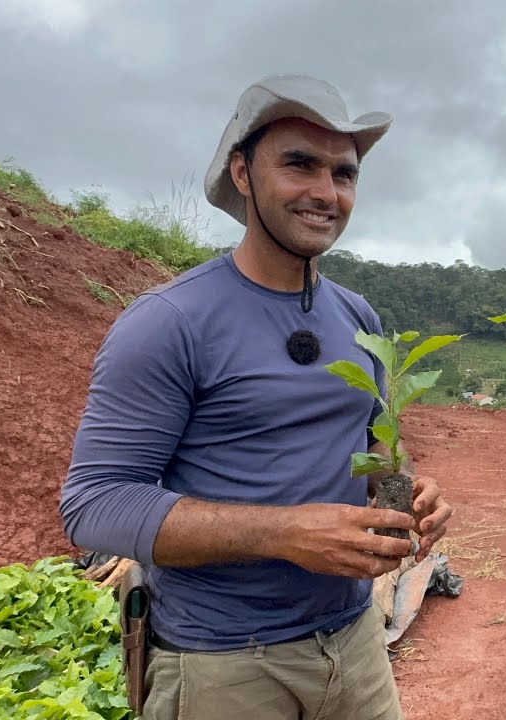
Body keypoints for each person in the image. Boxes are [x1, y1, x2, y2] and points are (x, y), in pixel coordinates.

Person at [59, 74, 453, 720]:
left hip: (355, 644)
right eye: (300, 165)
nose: (325, 192)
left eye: (343, 173)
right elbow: (95, 505)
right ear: (242, 173)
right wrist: (285, 533)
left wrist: (412, 495)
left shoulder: (359, 318)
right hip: (223, 665)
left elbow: (372, 453)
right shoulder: (170, 322)